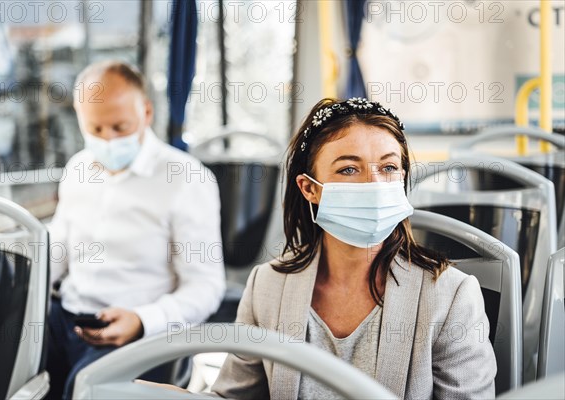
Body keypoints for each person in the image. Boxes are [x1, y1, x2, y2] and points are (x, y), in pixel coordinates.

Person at [207, 98, 497, 399]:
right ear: (310, 188)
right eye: (348, 169)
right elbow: (234, 397)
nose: (374, 183)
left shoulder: (450, 295)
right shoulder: (267, 286)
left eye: (388, 167)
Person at [46, 60, 226, 400]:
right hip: (65, 318)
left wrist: (143, 320)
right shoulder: (77, 169)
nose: (108, 140)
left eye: (120, 127)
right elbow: (59, 252)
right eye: (96, 130)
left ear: (146, 112)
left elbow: (205, 285)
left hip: (140, 332)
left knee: (83, 389)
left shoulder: (187, 178)